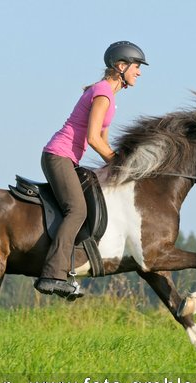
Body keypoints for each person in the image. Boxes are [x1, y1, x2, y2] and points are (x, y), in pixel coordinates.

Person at [34, 41, 148, 298]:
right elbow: (95, 139)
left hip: (68, 159)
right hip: (58, 155)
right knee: (77, 210)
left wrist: (123, 166)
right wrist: (115, 160)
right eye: (137, 66)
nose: (139, 72)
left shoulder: (111, 98)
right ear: (121, 66)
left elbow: (104, 144)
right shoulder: (103, 93)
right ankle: (53, 275)